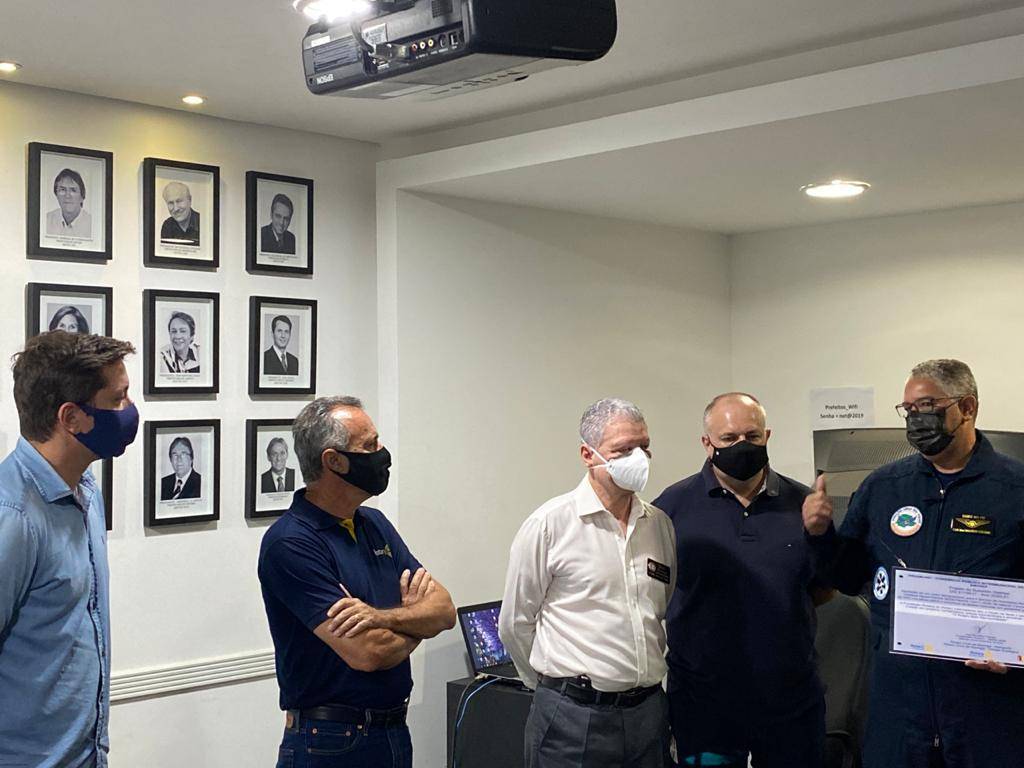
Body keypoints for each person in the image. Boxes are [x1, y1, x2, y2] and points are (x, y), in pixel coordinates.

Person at [804, 359, 1024, 768]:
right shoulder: (884, 487)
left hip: (987, 711)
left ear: (968, 407)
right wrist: (819, 535)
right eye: (908, 409)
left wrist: (1017, 645)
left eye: (927, 406)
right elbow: (848, 578)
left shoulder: (1015, 489)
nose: (915, 419)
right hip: (900, 710)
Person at [258, 396, 456, 768]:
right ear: (334, 461)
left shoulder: (373, 523)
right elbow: (369, 652)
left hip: (392, 732)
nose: (383, 454)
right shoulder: (290, 543)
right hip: (330, 742)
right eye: (370, 445)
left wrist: (381, 618)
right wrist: (418, 622)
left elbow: (444, 611)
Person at [499, 397, 675, 768]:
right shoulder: (550, 524)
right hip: (573, 716)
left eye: (644, 447)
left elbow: (660, 609)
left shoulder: (658, 524)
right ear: (587, 454)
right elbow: (515, 623)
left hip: (647, 714)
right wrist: (553, 687)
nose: (638, 458)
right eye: (623, 450)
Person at [652, 393, 825, 768]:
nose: (742, 445)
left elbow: (824, 588)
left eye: (752, 436)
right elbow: (651, 593)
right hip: (703, 701)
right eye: (729, 439)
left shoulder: (805, 504)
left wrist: (822, 535)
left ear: (767, 436)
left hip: (789, 699)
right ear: (707, 443)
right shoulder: (670, 508)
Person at [0, 331, 138, 767]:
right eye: (118, 399)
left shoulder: (86, 491)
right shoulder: (12, 516)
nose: (129, 409)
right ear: (72, 417)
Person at [46, 168, 93, 238]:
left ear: (82, 197)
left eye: (73, 190)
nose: (67, 195)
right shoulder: (47, 220)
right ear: (56, 194)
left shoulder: (92, 224)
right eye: (62, 189)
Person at [160, 436, 202, 500]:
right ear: (170, 459)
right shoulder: (163, 483)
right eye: (175, 455)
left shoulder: (201, 483)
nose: (179, 459)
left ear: (191, 458)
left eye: (183, 454)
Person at [160, 181, 200, 246]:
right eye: (171, 203)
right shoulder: (167, 226)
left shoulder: (202, 223)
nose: (176, 208)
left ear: (190, 200)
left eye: (179, 201)